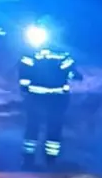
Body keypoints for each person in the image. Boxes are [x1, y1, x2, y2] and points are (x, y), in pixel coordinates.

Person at [18, 17, 83, 167]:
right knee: (51, 128)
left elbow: (24, 73)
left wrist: (24, 89)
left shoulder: (31, 51)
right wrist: (74, 75)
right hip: (56, 97)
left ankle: (30, 160)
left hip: (38, 97)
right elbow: (69, 71)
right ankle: (48, 161)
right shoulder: (61, 52)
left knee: (34, 127)